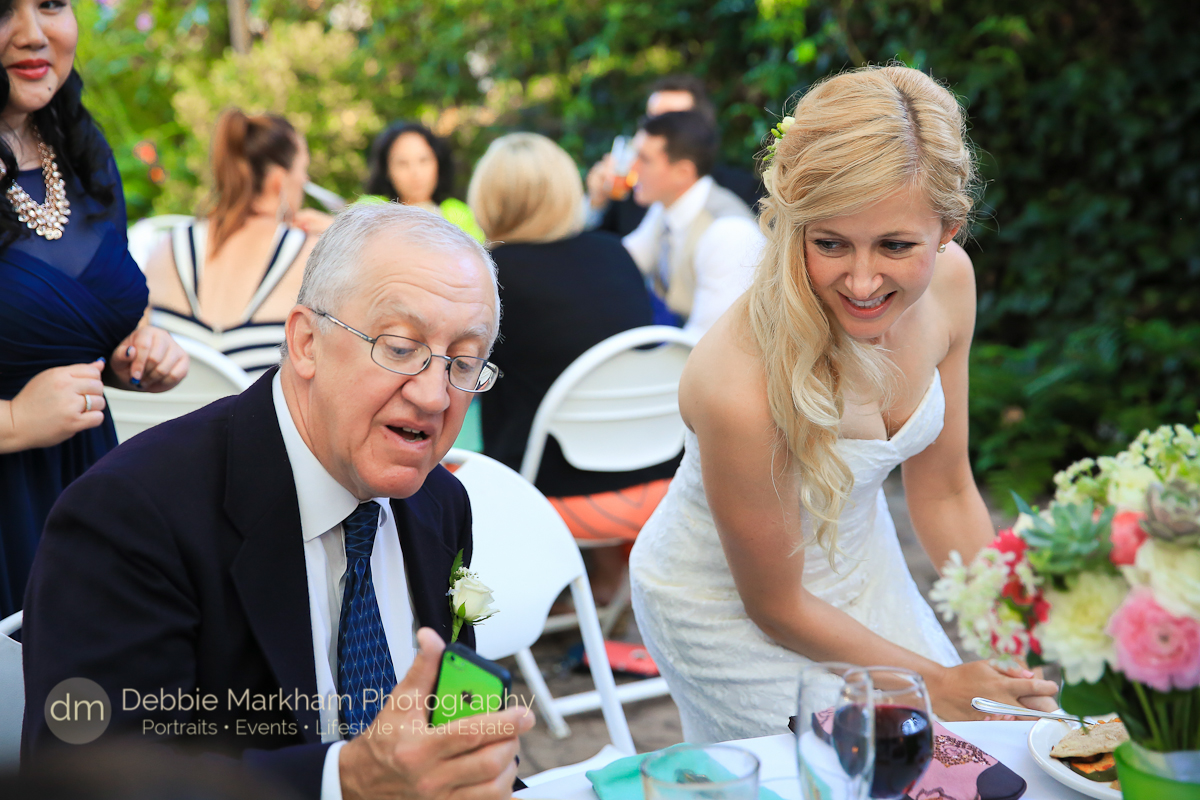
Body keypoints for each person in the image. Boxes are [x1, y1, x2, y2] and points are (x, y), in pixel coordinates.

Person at [22, 203, 534, 799]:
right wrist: (342, 782)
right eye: (399, 347)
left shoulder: (439, 503)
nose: (434, 394)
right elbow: (86, 781)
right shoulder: (132, 515)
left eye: (464, 363)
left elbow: (452, 729)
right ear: (306, 341)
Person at [629, 66, 1060, 742]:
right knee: (860, 772)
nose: (862, 281)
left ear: (949, 227)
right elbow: (776, 606)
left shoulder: (951, 285)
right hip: (731, 605)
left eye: (895, 245)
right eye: (829, 243)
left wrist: (1007, 630)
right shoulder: (737, 380)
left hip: (858, 557)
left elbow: (945, 490)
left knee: (976, 752)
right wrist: (939, 685)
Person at [0, 0, 188, 619]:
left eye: (51, 4)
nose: (33, 33)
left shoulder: (78, 147)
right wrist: (17, 421)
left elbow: (87, 311)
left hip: (86, 492)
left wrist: (134, 353)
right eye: (3, 11)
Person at [467, 133, 677, 598]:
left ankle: (479, 609)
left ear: (488, 196)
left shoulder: (489, 275)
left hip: (551, 499)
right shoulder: (614, 253)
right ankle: (601, 586)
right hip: (660, 483)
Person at [145, 109, 332, 377]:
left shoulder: (167, 246)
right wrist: (337, 235)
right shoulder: (310, 255)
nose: (305, 181)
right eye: (303, 171)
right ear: (280, 180)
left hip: (169, 415)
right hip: (254, 417)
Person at [620, 110, 764, 334]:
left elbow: (709, 339)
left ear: (683, 172)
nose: (631, 168)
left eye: (644, 159)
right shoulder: (665, 207)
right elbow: (623, 263)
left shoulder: (729, 233)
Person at [587, 74, 763, 236]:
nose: (653, 131)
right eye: (652, 121)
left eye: (671, 121)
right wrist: (596, 204)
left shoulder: (741, 192)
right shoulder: (626, 191)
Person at [364, 121, 484, 242]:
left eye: (423, 160)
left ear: (438, 162)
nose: (415, 172)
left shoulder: (460, 215)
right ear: (386, 170)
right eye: (402, 163)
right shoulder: (370, 212)